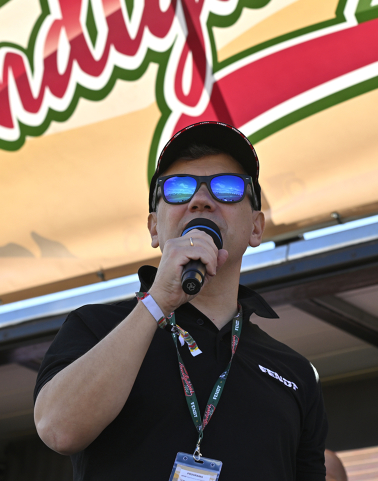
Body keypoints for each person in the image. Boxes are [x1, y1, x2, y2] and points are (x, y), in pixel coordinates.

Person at [34, 122, 328, 479]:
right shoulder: (96, 327)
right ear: (154, 227)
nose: (201, 200)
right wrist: (158, 300)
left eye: (227, 188)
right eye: (179, 188)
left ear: (256, 227)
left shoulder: (293, 372)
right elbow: (58, 430)